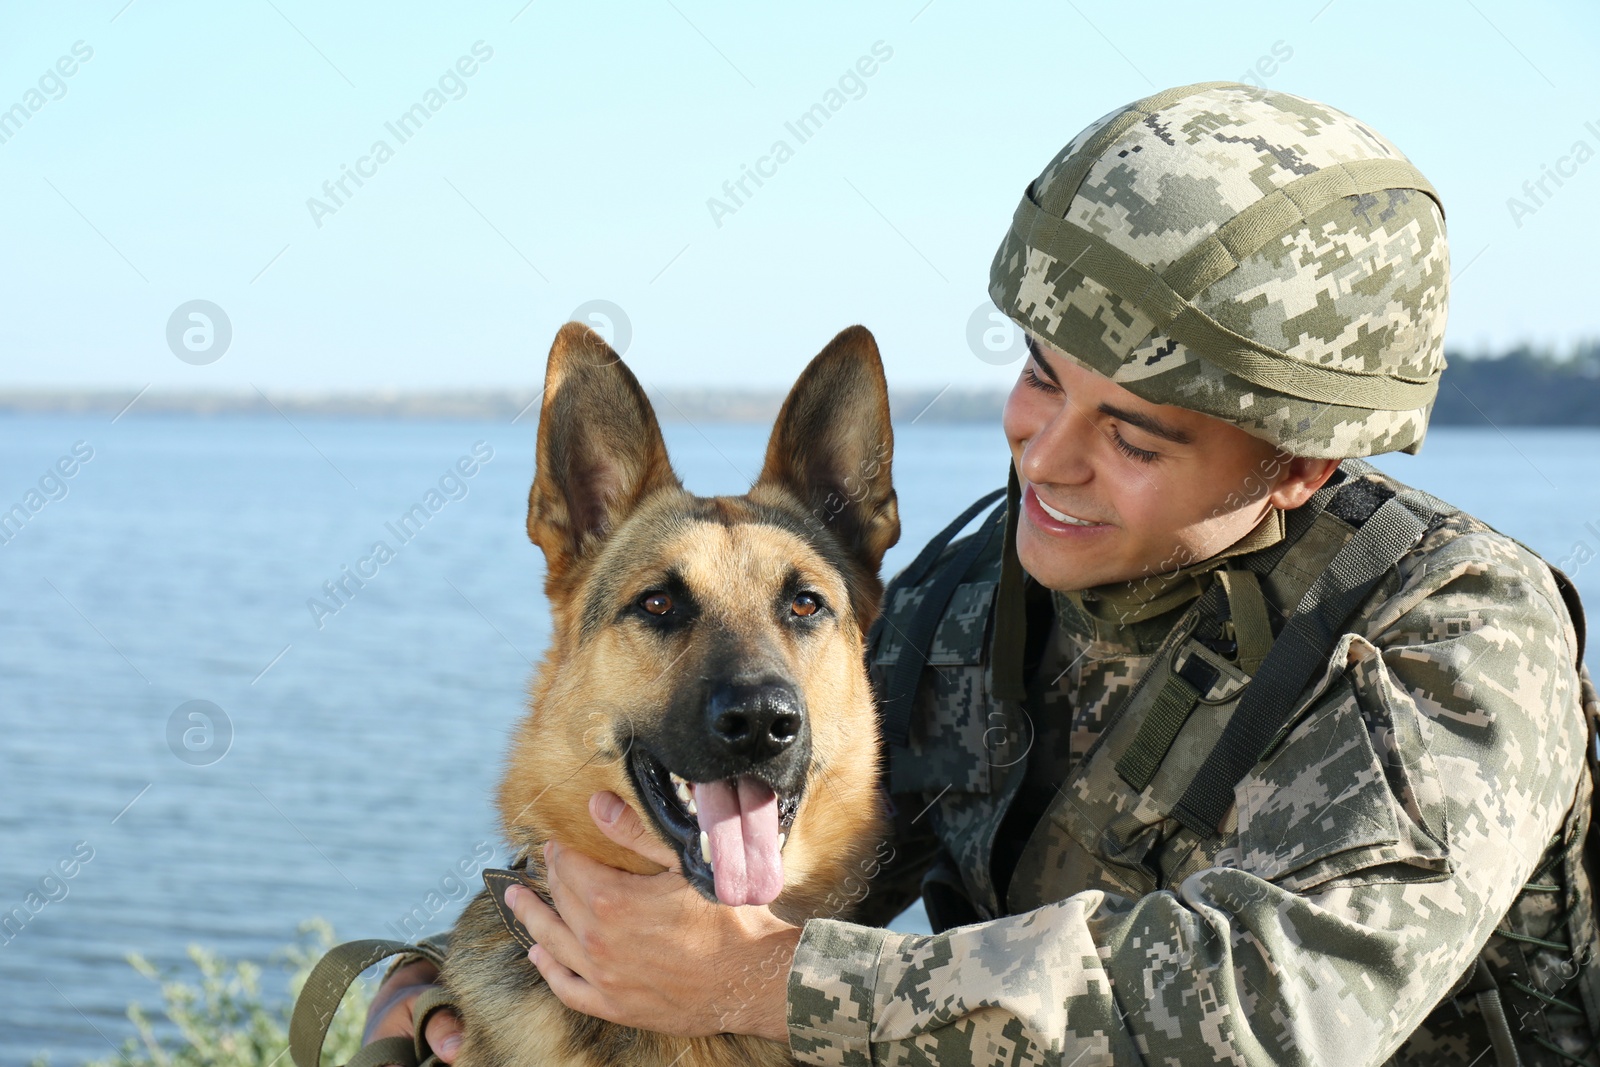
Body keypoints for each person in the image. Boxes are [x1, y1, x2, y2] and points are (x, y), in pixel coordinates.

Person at [360, 82, 1598, 1066]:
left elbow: (1275, 1017)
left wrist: (755, 978)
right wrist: (439, 991)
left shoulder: (1455, 636)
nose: (1044, 459)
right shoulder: (967, 604)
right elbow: (740, 852)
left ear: (1298, 467)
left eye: (1134, 434)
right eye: (1041, 375)